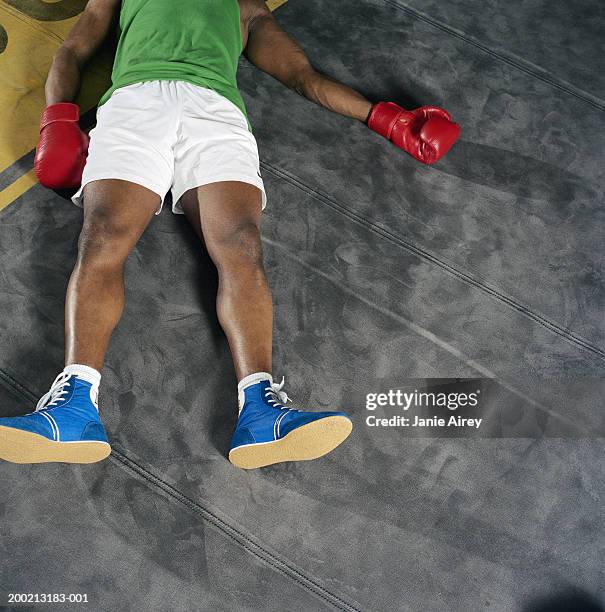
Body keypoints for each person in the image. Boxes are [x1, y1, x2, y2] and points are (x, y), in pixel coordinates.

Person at [0, 0, 460, 468]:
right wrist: (56, 117)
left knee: (243, 244)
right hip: (136, 103)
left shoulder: (244, 7)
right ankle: (72, 409)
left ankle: (262, 411)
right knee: (102, 236)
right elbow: (74, 50)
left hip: (214, 112)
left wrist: (386, 119)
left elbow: (303, 75)